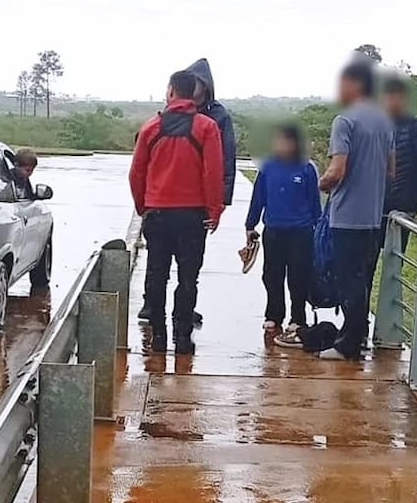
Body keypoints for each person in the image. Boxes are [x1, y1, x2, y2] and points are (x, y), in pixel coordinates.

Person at [129, 70, 224, 355]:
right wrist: (214, 210)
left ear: (171, 92)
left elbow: (136, 173)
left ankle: (158, 336)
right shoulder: (206, 128)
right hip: (193, 217)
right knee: (187, 278)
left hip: (157, 214)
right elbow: (213, 173)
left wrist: (142, 206)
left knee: (157, 275)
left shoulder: (151, 128)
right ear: (193, 93)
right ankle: (183, 338)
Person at [317, 61, 394, 361]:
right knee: (362, 279)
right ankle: (356, 334)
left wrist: (322, 185)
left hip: (347, 217)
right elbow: (392, 170)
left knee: (347, 279)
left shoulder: (344, 121)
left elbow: (337, 170)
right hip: (373, 217)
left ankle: (347, 343)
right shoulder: (385, 122)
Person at [368, 75, 417, 340]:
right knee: (363, 269)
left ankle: (385, 331)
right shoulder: (373, 126)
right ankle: (358, 327)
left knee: (393, 269)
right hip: (370, 211)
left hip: (401, 212)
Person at [245, 125, 321, 348]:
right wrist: (250, 224)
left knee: (298, 276)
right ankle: (274, 314)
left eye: (286, 141)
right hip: (274, 230)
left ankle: (298, 318)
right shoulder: (268, 168)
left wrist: (320, 231)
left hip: (301, 231)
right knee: (272, 274)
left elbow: (315, 205)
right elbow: (258, 198)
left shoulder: (306, 169)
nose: (281, 145)